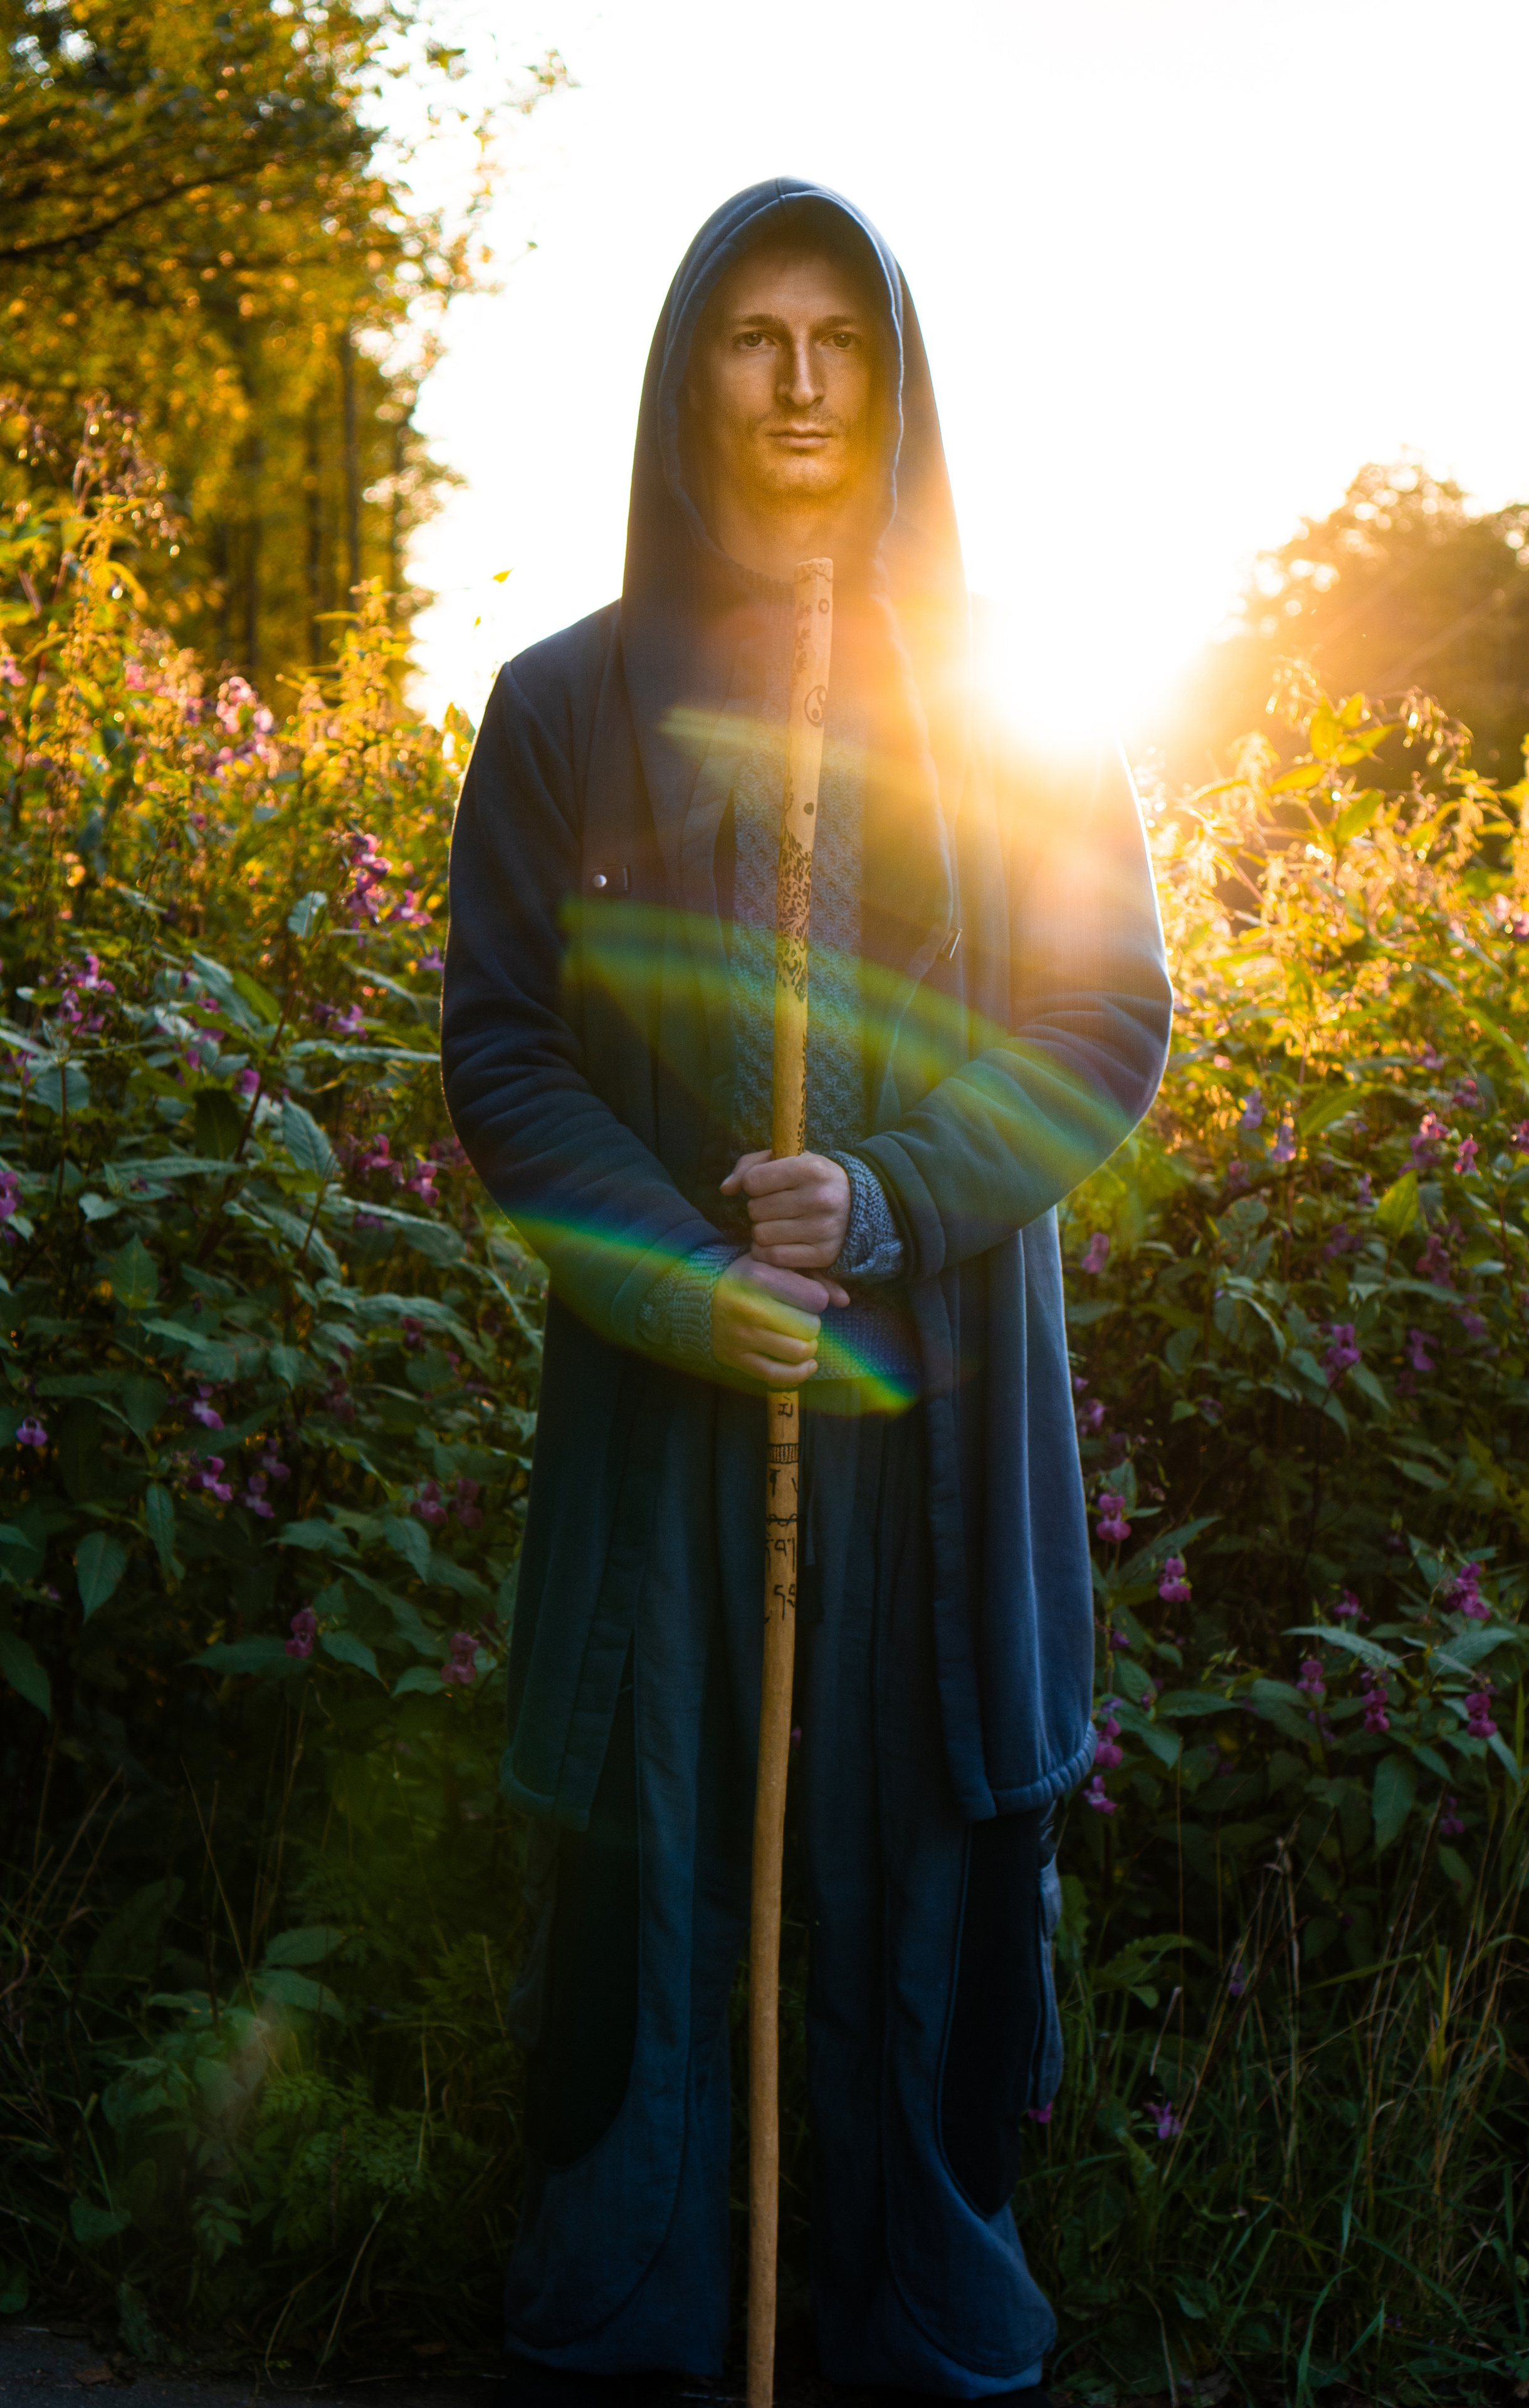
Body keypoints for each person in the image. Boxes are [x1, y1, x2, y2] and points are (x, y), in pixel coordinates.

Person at [441, 179, 1171, 2408]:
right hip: (677, 1442)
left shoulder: (1016, 705)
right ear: (687, 382)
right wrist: (680, 1276)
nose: (794, 382)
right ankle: (656, 2336)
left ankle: (895, 2337)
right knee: (672, 1874)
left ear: (890, 379)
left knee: (903, 1882)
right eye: (749, 339)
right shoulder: (566, 701)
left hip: (937, 1431)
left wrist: (874, 1202)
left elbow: (1103, 1022)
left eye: (834, 341)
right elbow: (505, 1045)